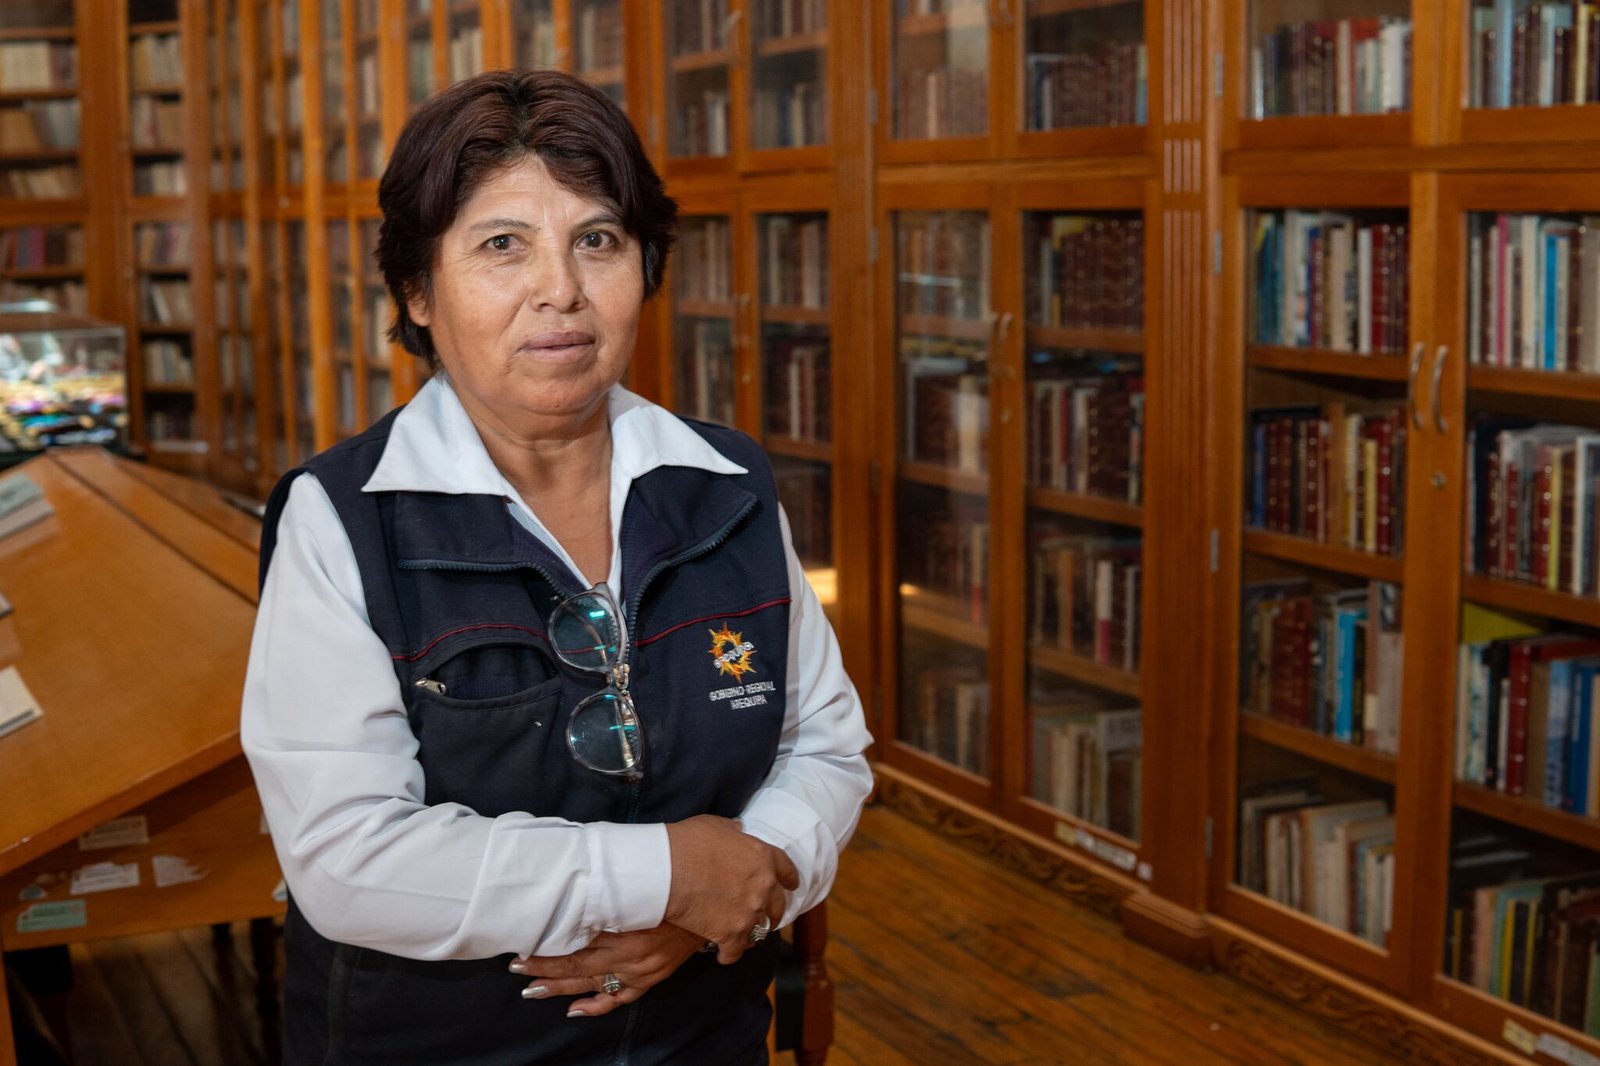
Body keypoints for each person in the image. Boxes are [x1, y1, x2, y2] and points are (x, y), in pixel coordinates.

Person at [240, 69, 873, 1065]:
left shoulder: (728, 485)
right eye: (502, 245)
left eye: (598, 240)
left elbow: (824, 749)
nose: (562, 290)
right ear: (417, 291)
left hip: (701, 1035)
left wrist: (735, 889)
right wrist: (665, 876)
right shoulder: (342, 520)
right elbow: (348, 855)